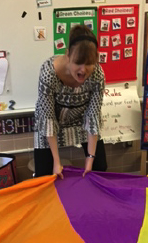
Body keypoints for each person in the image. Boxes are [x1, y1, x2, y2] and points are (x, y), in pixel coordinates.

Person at [34, 24, 107, 178]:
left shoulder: (97, 75)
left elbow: (93, 116)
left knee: (99, 167)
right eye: (78, 62)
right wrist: (56, 161)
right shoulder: (49, 73)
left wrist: (90, 158)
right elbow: (48, 119)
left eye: (89, 63)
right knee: (45, 173)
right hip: (51, 123)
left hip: (81, 121)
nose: (83, 70)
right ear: (68, 55)